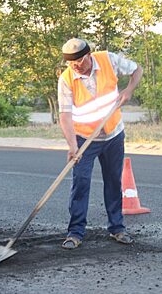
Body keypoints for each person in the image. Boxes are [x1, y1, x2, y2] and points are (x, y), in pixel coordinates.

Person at [57, 38, 143, 249]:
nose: (76, 66)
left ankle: (117, 228)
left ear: (88, 55)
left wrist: (128, 90)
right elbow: (65, 115)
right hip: (84, 138)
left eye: (79, 60)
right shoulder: (67, 79)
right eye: (71, 63)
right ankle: (75, 232)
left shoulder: (107, 59)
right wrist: (72, 146)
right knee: (81, 183)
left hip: (114, 134)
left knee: (114, 181)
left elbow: (137, 70)